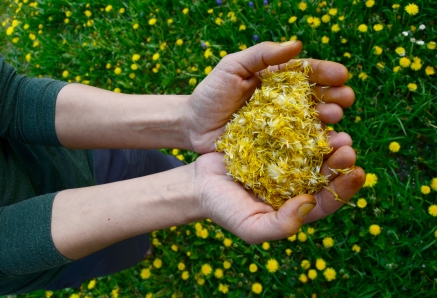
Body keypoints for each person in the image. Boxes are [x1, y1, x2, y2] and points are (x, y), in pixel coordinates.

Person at [0, 40, 365, 295]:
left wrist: (186, 121)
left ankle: (159, 196)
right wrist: (192, 192)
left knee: (149, 164)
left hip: (73, 150)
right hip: (49, 247)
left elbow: (10, 98)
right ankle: (137, 249)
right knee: (118, 251)